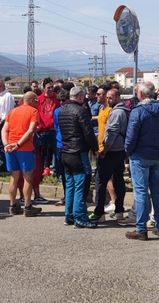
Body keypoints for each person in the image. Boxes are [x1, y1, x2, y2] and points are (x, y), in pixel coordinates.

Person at [124, 82, 159, 240]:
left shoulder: (138, 111)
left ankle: (141, 228)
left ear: (141, 94)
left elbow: (131, 136)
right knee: (156, 191)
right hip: (158, 155)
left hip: (141, 155)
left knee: (141, 192)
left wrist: (128, 152)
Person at [58, 86, 98, 228]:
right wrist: (95, 148)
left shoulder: (62, 110)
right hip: (79, 152)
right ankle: (80, 217)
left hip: (66, 151)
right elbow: (88, 132)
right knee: (81, 186)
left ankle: (69, 216)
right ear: (80, 97)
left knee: (70, 185)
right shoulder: (81, 111)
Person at [1, 92, 43, 217]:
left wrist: (6, 144)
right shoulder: (33, 112)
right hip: (24, 148)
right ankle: (28, 207)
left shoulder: (13, 111)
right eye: (36, 100)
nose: (37, 103)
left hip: (10, 148)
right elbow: (31, 130)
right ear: (32, 100)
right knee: (27, 178)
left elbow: (4, 129)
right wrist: (19, 144)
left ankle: (13, 205)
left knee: (14, 177)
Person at [92, 88, 129, 223]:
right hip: (119, 151)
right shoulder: (121, 110)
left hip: (111, 151)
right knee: (118, 181)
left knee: (100, 182)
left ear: (118, 97)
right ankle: (119, 210)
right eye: (107, 97)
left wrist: (104, 150)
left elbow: (112, 133)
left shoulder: (117, 112)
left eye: (111, 97)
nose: (108, 100)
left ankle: (99, 212)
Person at [35, 79, 60, 190]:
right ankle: (39, 175)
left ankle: (58, 174)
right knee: (40, 154)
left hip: (54, 130)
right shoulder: (39, 99)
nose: (50, 89)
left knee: (57, 153)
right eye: (48, 87)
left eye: (52, 87)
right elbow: (36, 112)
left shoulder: (57, 99)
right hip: (41, 130)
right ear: (44, 87)